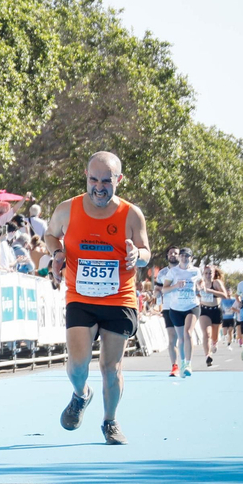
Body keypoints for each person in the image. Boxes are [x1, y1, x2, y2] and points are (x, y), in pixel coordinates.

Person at [45, 151, 151, 445]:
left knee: (110, 366)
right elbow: (51, 235)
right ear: (86, 176)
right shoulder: (68, 209)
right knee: (78, 365)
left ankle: (110, 421)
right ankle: (81, 394)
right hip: (80, 295)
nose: (99, 187)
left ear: (119, 180)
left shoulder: (131, 214)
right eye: (94, 179)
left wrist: (136, 255)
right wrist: (57, 253)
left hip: (119, 297)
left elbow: (145, 252)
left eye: (107, 181)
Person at [155, 246, 201, 378]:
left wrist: (201, 286)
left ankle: (188, 363)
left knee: (188, 333)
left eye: (187, 256)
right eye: (182, 255)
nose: (184, 258)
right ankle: (177, 364)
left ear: (191, 258)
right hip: (172, 307)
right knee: (176, 338)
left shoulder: (195, 271)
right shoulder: (168, 272)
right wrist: (174, 287)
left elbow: (200, 281)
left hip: (191, 305)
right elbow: (162, 289)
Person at [198, 263, 225, 367]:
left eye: (210, 273)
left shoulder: (217, 283)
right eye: (206, 273)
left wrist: (210, 291)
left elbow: (225, 295)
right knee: (206, 334)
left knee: (214, 337)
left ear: (214, 274)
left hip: (216, 310)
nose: (208, 275)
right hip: (204, 310)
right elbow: (196, 293)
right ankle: (208, 355)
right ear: (203, 274)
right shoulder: (200, 283)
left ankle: (214, 343)